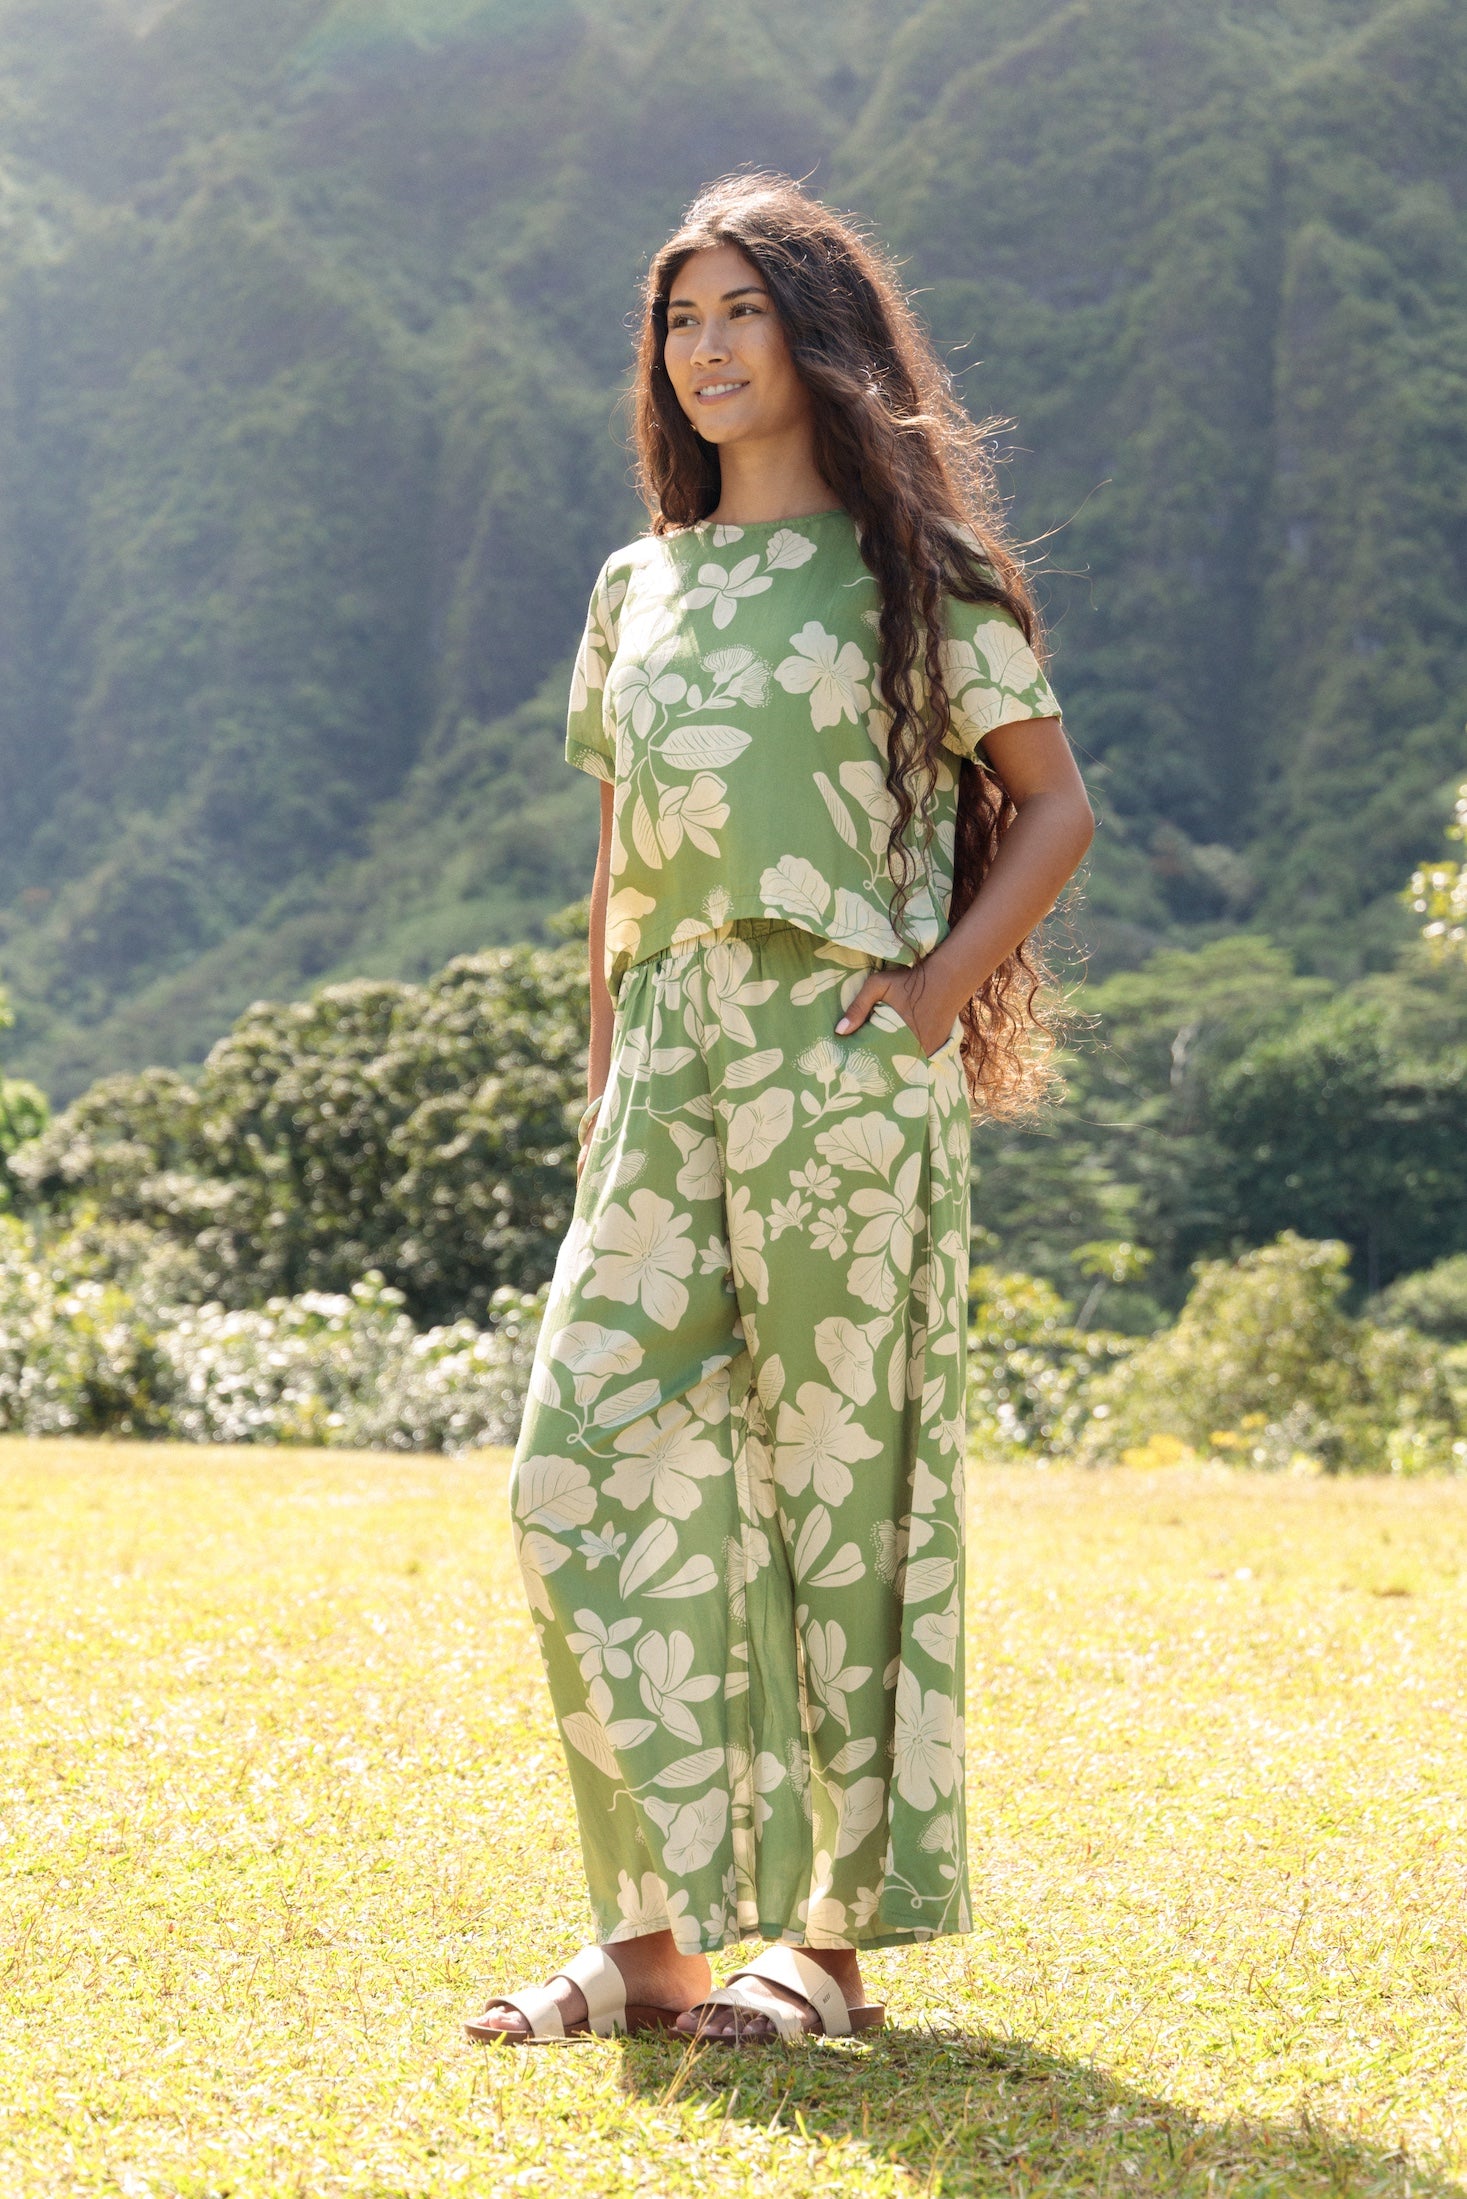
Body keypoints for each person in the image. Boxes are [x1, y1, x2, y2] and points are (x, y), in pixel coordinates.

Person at [466, 172, 1093, 2047]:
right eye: (680, 319)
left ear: (813, 337)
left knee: (845, 1498)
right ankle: (650, 1943)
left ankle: (823, 1945)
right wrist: (602, 1087)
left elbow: (1051, 808)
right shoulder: (633, 585)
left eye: (738, 310)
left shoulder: (926, 578)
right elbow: (616, 866)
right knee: (575, 1472)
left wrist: (924, 1008)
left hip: (842, 1066)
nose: (706, 347)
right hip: (666, 1061)